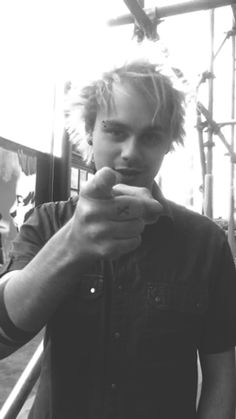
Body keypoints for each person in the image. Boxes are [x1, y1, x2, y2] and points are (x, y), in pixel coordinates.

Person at [0, 61, 236, 419]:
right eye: (115, 131)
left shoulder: (206, 243)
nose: (131, 151)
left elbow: (222, 374)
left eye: (151, 136)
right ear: (90, 132)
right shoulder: (48, 221)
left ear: (168, 144)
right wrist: (73, 243)